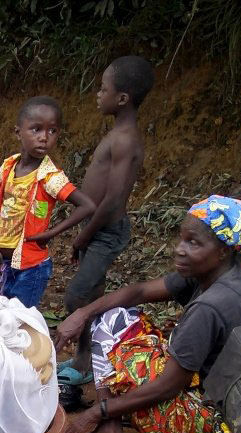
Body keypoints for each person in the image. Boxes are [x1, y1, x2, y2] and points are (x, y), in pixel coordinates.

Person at [53, 196, 241, 433]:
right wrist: (82, 313)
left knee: (109, 323)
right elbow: (139, 291)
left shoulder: (210, 307)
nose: (179, 249)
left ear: (224, 250)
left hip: (193, 423)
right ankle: (115, 421)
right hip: (213, 405)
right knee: (114, 316)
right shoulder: (220, 277)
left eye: (193, 243)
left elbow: (167, 387)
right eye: (182, 238)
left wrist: (98, 412)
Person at [58, 56, 155, 386]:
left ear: (123, 98)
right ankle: (90, 358)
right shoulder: (117, 135)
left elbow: (113, 200)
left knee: (77, 297)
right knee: (92, 292)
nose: (98, 95)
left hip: (105, 230)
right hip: (97, 228)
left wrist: (83, 236)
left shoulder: (125, 140)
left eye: (103, 89)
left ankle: (86, 362)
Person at [0, 96, 96, 308]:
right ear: (18, 132)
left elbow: (87, 205)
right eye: (36, 130)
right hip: (9, 263)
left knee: (19, 321)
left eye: (52, 131)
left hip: (32, 268)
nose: (44, 138)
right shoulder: (9, 166)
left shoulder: (50, 177)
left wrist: (51, 233)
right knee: (4, 317)